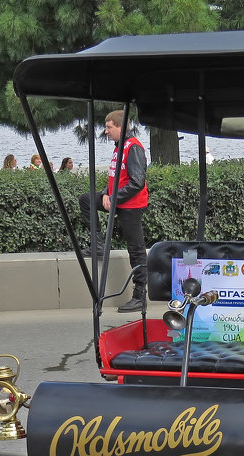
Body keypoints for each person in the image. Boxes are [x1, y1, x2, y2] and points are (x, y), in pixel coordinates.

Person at [78, 110, 149, 313]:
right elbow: (115, 177)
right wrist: (104, 194)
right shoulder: (120, 146)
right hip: (118, 200)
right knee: (87, 200)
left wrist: (113, 198)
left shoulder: (133, 147)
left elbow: (137, 182)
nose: (106, 131)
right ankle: (99, 245)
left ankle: (139, 296)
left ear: (121, 126)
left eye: (109, 127)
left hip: (131, 205)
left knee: (136, 249)